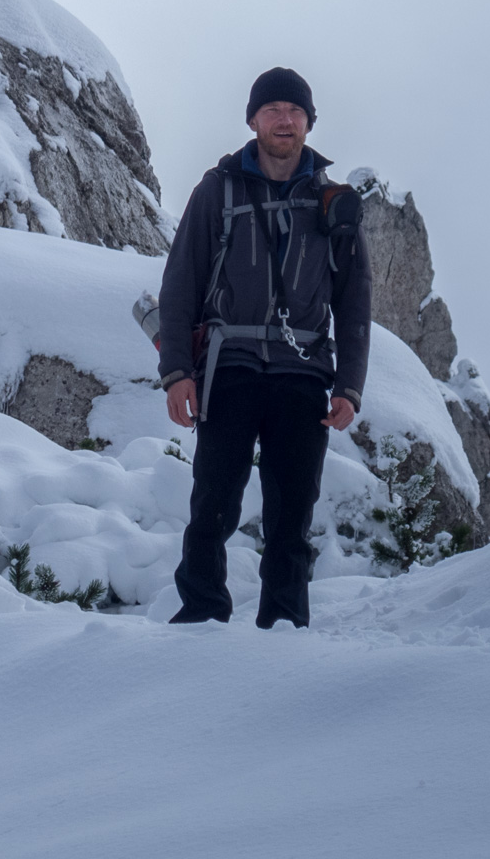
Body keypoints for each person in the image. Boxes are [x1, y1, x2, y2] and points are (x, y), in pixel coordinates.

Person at [157, 67, 371, 628]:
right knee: (213, 505)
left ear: (309, 123)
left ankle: (283, 629)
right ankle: (202, 616)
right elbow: (180, 283)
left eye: (295, 111)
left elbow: (354, 303)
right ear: (252, 120)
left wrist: (349, 386)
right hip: (229, 367)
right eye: (273, 109)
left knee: (291, 517)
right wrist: (177, 370)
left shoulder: (333, 203)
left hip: (303, 374)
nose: (284, 119)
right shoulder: (216, 190)